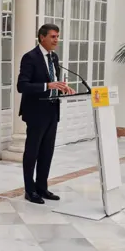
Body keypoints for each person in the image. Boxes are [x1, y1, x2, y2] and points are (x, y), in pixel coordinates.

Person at [17, 24, 75, 205]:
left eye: (57, 36)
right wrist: (47, 86)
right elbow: (22, 86)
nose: (56, 40)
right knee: (32, 152)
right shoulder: (30, 58)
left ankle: (42, 187)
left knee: (47, 152)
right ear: (42, 37)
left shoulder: (54, 57)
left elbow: (53, 81)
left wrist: (62, 88)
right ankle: (30, 190)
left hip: (52, 110)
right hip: (35, 112)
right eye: (53, 36)